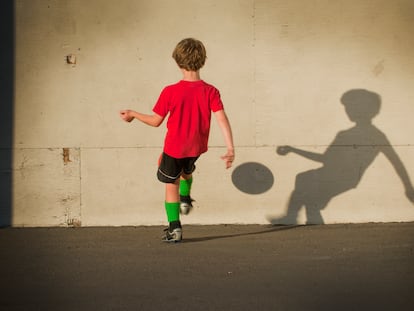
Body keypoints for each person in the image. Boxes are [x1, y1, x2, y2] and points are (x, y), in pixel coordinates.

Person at [120, 38, 235, 242]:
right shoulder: (211, 91)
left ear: (177, 62)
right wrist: (230, 148)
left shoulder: (170, 91)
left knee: (169, 183)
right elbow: (222, 119)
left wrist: (133, 114)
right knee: (184, 170)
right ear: (203, 61)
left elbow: (156, 121)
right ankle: (186, 197)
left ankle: (175, 228)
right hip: (196, 148)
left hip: (175, 147)